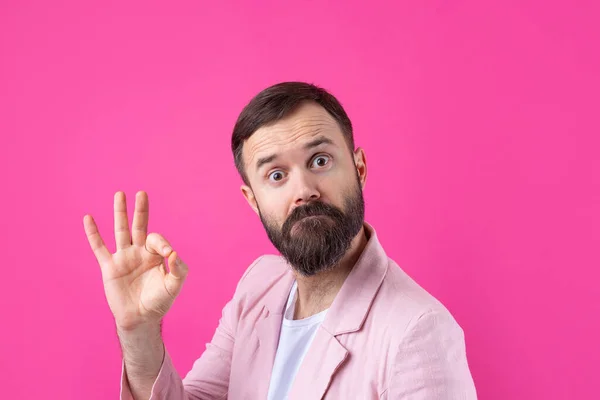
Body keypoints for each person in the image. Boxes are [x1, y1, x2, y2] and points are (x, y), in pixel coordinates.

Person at [83, 82, 477, 399]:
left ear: (358, 168)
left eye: (320, 161)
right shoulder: (259, 286)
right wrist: (138, 331)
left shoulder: (419, 331)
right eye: (276, 175)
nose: (304, 190)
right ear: (252, 200)